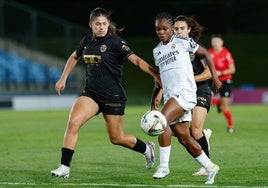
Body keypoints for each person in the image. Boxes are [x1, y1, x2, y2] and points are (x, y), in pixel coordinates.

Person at [50, 7, 161, 178]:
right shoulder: (86, 41)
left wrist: (155, 74)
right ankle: (65, 167)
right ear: (90, 25)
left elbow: (136, 60)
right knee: (73, 123)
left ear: (108, 24)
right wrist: (63, 78)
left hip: (113, 96)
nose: (101, 27)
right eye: (98, 24)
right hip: (91, 94)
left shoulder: (115, 42)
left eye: (104, 24)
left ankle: (147, 148)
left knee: (117, 138)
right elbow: (74, 56)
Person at [150, 12, 221, 185]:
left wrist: (215, 77)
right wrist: (154, 98)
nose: (161, 32)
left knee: (162, 122)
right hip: (170, 96)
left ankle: (164, 166)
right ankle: (211, 167)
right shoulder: (157, 51)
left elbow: (206, 54)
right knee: (185, 139)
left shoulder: (182, 42)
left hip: (186, 93)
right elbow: (161, 77)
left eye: (165, 28)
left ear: (171, 29)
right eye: (158, 29)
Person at [208, 34, 236, 133]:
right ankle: (219, 102)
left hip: (225, 81)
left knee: (224, 107)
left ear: (221, 43)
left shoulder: (226, 53)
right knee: (207, 99)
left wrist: (221, 72)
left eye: (217, 41)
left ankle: (231, 125)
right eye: (213, 41)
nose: (215, 43)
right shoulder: (209, 52)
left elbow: (232, 69)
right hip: (214, 80)